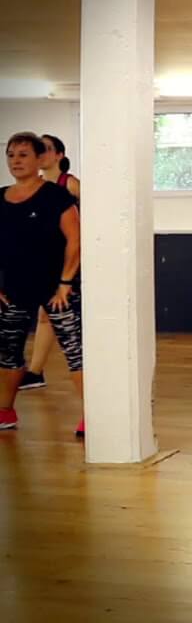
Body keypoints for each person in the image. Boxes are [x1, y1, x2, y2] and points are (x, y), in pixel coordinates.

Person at [0, 132, 83, 435]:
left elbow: (75, 240)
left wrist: (65, 283)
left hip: (56, 289)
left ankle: (93, 415)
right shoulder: (1, 197)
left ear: (39, 159)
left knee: (75, 351)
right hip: (14, 290)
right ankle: (5, 411)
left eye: (23, 155)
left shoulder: (55, 196)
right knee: (7, 352)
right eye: (11, 155)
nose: (16, 161)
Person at [18, 134, 82, 392]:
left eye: (46, 149)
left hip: (71, 261)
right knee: (45, 316)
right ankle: (35, 372)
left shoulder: (71, 184)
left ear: (59, 155)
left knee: (57, 317)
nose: (41, 154)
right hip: (46, 261)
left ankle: (40, 372)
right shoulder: (38, 187)